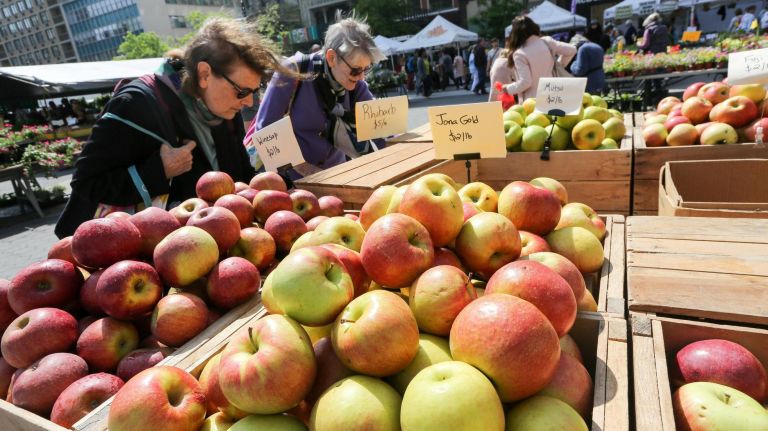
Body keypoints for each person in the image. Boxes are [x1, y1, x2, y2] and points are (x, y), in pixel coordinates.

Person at [55, 18, 282, 238]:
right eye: (242, 91)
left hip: (214, 240)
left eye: (254, 91)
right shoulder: (136, 103)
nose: (249, 103)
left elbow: (240, 175)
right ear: (204, 74)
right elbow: (86, 182)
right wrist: (160, 170)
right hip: (153, 250)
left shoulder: (222, 105)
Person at [250, 13, 386, 172]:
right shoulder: (292, 72)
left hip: (337, 173)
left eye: (366, 69)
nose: (362, 76)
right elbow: (265, 131)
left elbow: (379, 129)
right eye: (355, 70)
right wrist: (309, 172)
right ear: (332, 58)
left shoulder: (357, 84)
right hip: (292, 179)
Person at [500, 16, 576, 101]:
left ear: (515, 33)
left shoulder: (520, 53)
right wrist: (559, 64)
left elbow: (525, 82)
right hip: (554, 94)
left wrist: (508, 88)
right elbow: (572, 50)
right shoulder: (547, 41)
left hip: (533, 101)